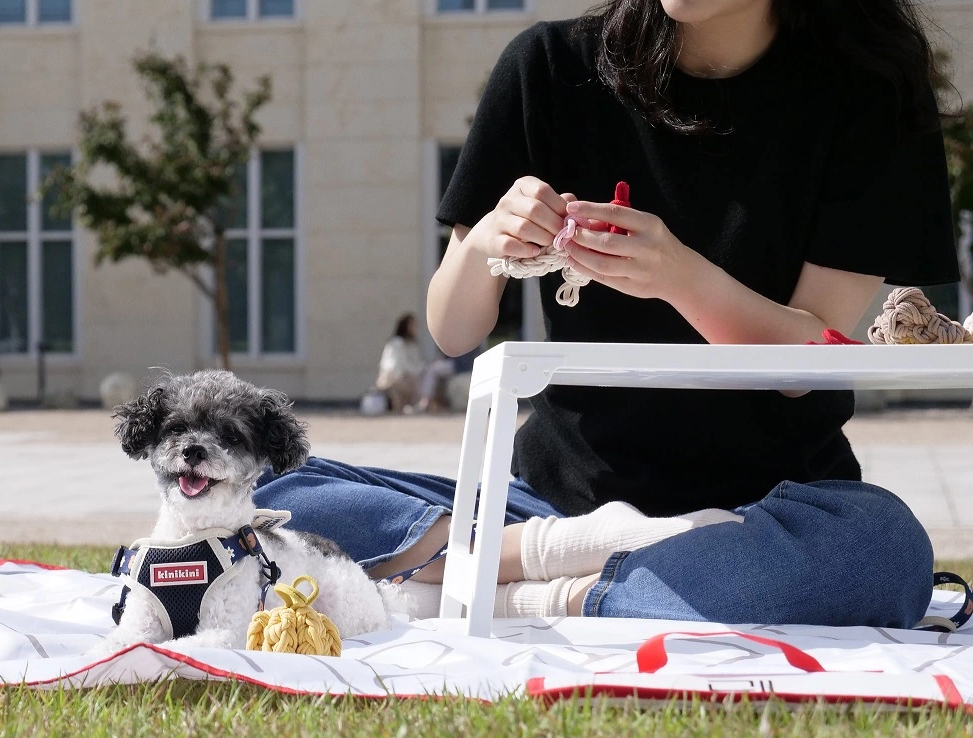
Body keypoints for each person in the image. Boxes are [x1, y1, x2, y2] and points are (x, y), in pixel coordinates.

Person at [258, 0, 957, 628]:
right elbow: (452, 327)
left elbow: (807, 364)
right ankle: (580, 567)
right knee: (273, 494)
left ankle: (517, 595)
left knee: (880, 550)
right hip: (552, 507)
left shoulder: (869, 92)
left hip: (770, 508)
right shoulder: (551, 68)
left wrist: (679, 277)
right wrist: (491, 242)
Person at [375, 313, 458, 413]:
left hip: (410, 374)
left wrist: (423, 366)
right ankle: (424, 402)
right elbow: (397, 364)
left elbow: (415, 362)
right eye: (412, 325)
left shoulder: (412, 343)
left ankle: (424, 402)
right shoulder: (397, 343)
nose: (414, 328)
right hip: (396, 376)